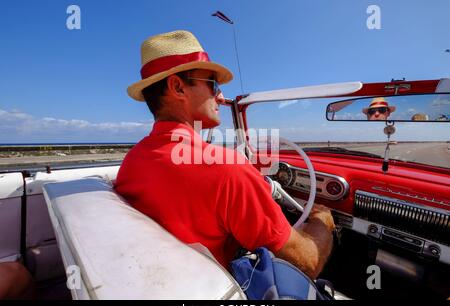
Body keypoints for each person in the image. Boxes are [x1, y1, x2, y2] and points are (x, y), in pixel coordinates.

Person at [115, 30, 335, 280]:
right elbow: (307, 263)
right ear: (177, 87)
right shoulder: (227, 169)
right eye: (213, 84)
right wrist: (322, 222)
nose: (220, 96)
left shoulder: (133, 161)